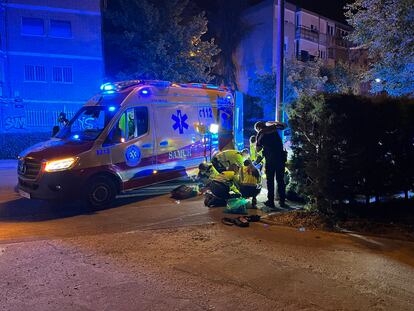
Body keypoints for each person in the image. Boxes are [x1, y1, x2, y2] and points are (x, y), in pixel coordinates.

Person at [255, 121, 287, 208]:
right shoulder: (273, 128)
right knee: (280, 180)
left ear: (258, 128)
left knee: (270, 181)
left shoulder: (261, 133)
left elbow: (257, 149)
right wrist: (273, 123)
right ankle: (282, 201)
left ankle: (271, 202)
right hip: (280, 158)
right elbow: (284, 125)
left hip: (270, 160)